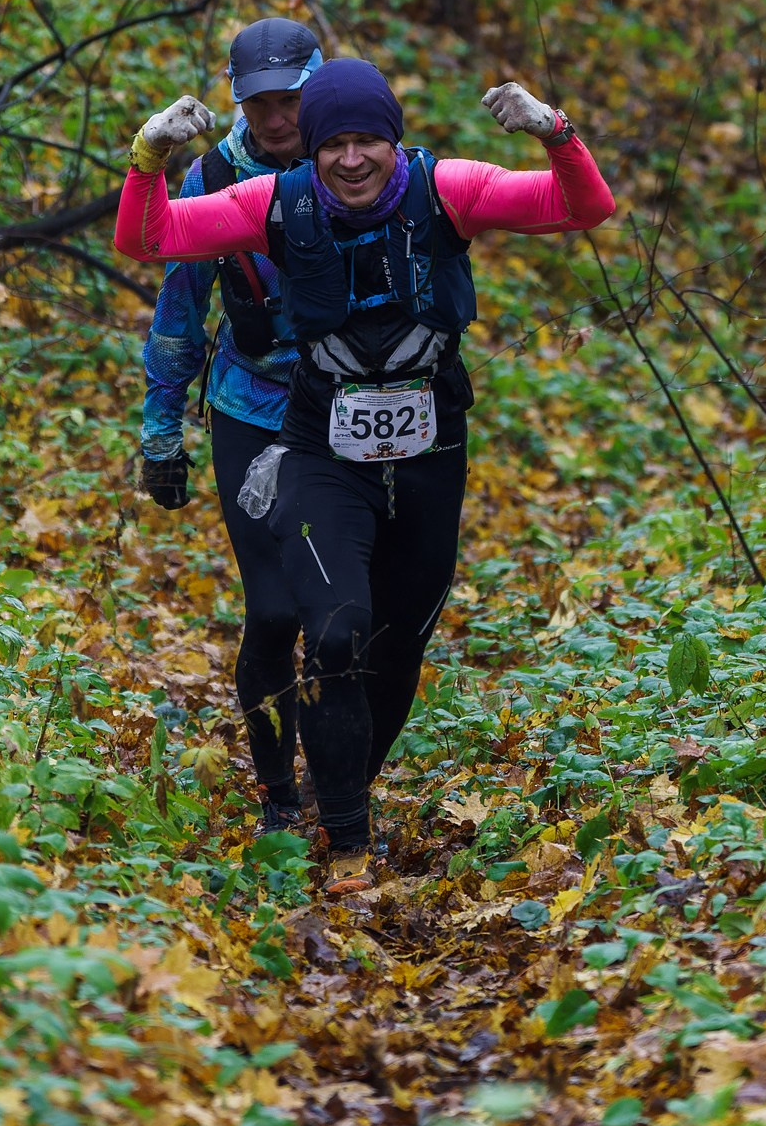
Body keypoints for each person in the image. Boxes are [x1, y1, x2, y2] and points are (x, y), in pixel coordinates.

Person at [117, 55, 614, 885]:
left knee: (398, 644)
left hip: (429, 452)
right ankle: (346, 841)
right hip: (322, 451)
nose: (351, 159)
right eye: (333, 144)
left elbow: (583, 207)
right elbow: (151, 238)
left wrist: (552, 131)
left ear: (395, 141)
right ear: (309, 152)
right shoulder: (274, 203)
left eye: (368, 141)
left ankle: (340, 784)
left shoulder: (448, 189)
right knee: (336, 629)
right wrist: (147, 156)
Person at [136, 16, 322, 832]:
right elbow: (179, 313)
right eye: (259, 101)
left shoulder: (358, 157)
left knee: (342, 614)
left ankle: (343, 777)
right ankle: (280, 794)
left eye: (292, 98)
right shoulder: (215, 175)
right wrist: (160, 435)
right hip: (248, 406)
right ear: (236, 99)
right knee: (277, 610)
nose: (278, 116)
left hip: (349, 415)